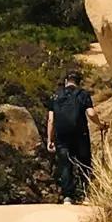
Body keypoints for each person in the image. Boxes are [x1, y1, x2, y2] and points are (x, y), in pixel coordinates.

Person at [44, 72, 95, 201]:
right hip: (80, 134)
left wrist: (50, 139)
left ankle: (67, 196)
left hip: (62, 135)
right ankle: (86, 195)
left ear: (66, 81)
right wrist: (101, 124)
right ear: (79, 82)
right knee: (84, 163)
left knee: (65, 164)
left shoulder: (55, 96)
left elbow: (51, 120)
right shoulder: (83, 94)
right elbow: (91, 113)